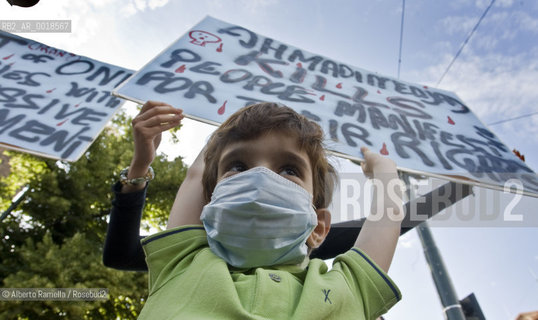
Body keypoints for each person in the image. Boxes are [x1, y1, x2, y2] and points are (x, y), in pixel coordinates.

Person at [105, 100, 404, 319]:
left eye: (289, 170)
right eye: (237, 166)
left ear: (319, 228)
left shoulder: (347, 288)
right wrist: (141, 162)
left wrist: (386, 170)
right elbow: (197, 175)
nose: (260, 177)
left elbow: (389, 217)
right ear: (207, 210)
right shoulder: (182, 261)